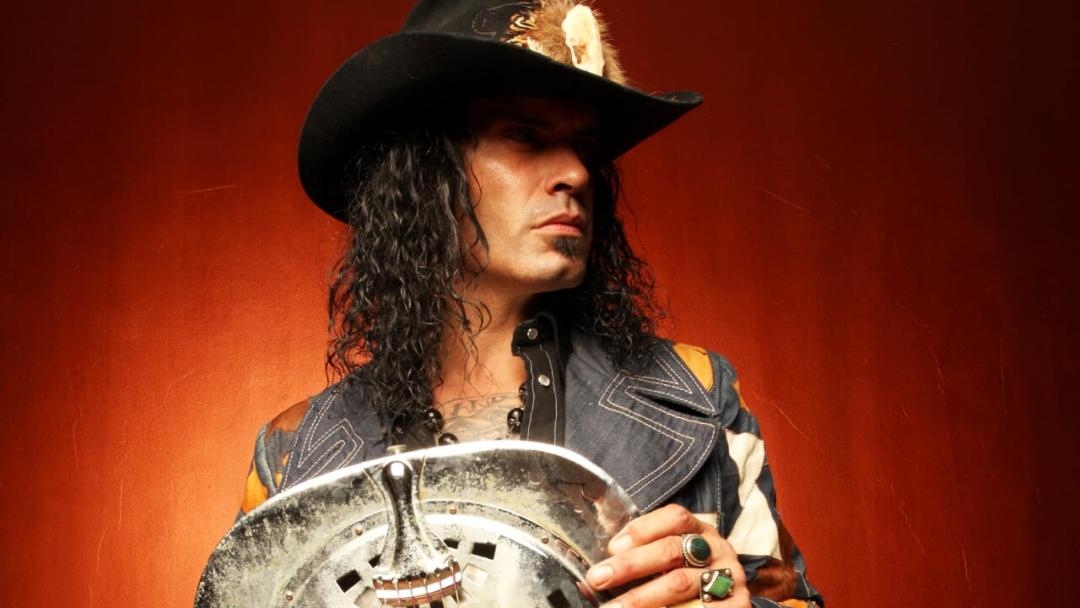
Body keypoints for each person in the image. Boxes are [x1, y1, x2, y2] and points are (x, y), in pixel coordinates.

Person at [235, 1, 824, 607]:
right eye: (524, 136)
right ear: (424, 176)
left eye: (583, 146)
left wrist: (734, 600)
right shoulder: (293, 454)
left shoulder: (698, 395)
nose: (576, 173)